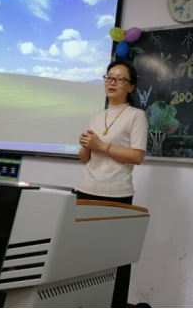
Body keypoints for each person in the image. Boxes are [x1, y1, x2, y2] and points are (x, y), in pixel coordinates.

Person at [77, 60, 149, 308]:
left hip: (116, 195)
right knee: (82, 255)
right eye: (109, 77)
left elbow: (137, 156)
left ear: (131, 87)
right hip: (85, 190)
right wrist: (86, 146)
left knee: (114, 258)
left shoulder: (136, 116)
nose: (112, 82)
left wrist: (101, 145)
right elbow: (86, 158)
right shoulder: (97, 116)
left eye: (119, 79)